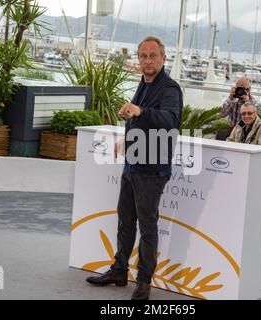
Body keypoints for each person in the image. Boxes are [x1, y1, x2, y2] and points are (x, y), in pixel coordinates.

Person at [85, 36, 183, 300]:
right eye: (143, 56)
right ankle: (119, 270)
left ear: (163, 58)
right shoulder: (143, 84)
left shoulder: (169, 88)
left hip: (152, 170)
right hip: (133, 165)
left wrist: (139, 111)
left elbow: (169, 120)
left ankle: (143, 281)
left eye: (153, 55)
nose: (148, 60)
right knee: (125, 221)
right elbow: (140, 121)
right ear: (138, 59)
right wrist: (126, 136)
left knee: (148, 227)